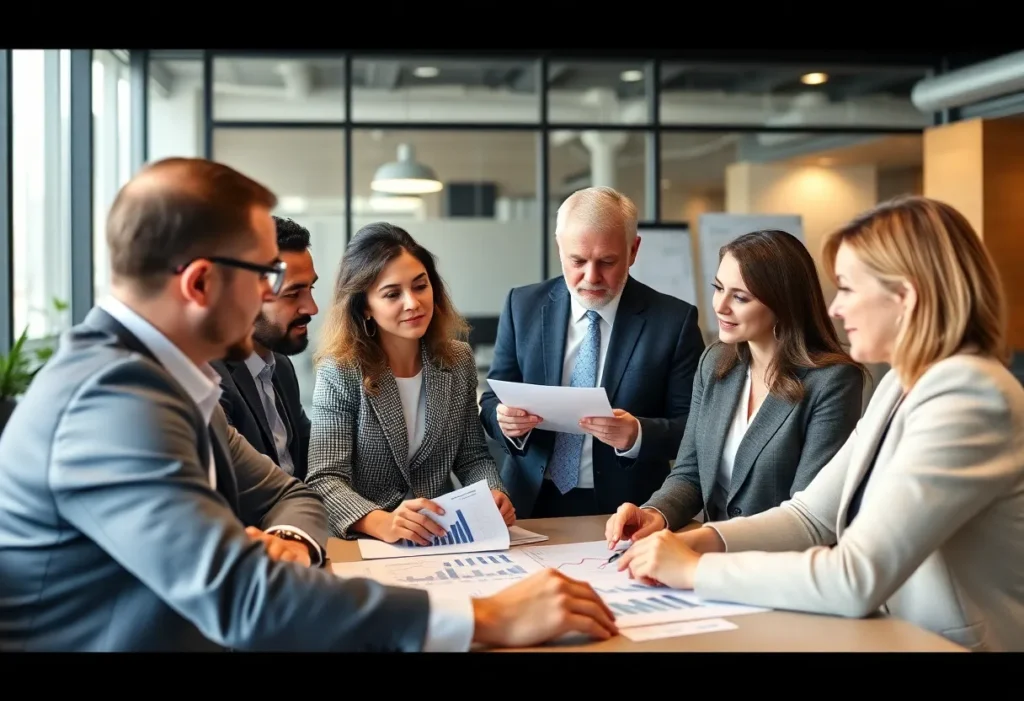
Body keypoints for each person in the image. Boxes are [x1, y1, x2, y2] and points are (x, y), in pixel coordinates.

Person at [0, 158, 618, 652]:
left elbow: (286, 492)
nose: (292, 302)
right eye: (268, 276)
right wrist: (482, 615)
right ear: (199, 283)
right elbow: (246, 600)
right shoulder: (112, 404)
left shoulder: (163, 382)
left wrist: (290, 538)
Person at [615, 196, 1024, 652]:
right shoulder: (901, 385)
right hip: (894, 633)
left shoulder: (969, 397)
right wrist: (703, 541)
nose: (834, 309)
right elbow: (811, 516)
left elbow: (855, 576)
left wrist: (694, 570)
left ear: (904, 297)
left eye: (847, 289)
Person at [605, 229, 865, 544]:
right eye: (718, 288)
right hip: (713, 564)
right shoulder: (715, 363)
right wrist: (655, 514)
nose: (721, 306)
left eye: (740, 297)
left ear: (783, 302)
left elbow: (807, 513)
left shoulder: (832, 381)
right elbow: (689, 474)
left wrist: (707, 545)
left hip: (782, 570)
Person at [479, 186, 705, 518]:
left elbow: (695, 426)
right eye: (578, 261)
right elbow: (491, 400)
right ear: (560, 249)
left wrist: (638, 434)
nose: (591, 276)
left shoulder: (673, 321)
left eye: (607, 262)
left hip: (628, 508)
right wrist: (505, 421)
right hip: (528, 502)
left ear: (633, 250)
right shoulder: (522, 306)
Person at [306, 222, 515, 543]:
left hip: (444, 536)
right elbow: (325, 479)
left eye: (420, 286)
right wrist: (381, 522)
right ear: (365, 308)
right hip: (370, 544)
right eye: (392, 294)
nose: (413, 303)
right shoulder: (341, 370)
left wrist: (493, 492)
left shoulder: (457, 360)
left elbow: (472, 457)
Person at [212, 215, 318, 480]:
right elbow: (236, 485)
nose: (312, 308)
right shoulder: (209, 375)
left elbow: (311, 457)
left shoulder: (280, 365)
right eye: (293, 294)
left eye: (310, 288)